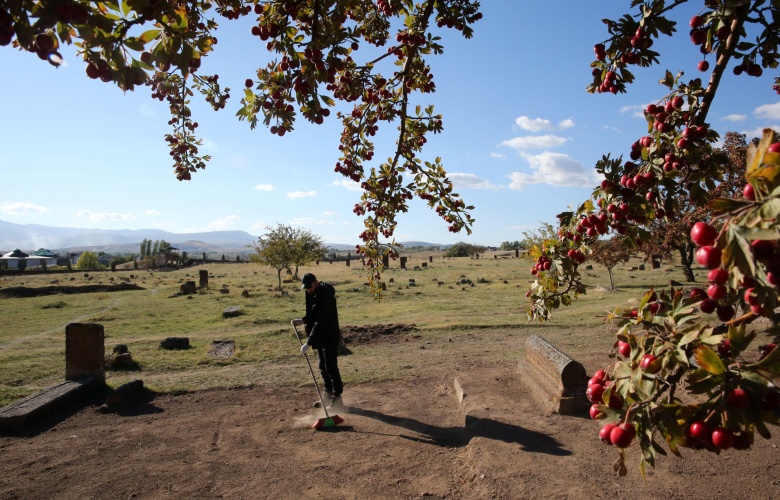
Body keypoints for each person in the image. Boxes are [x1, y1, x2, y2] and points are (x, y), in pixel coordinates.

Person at [297, 273, 343, 409]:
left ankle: (337, 398)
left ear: (316, 282)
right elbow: (314, 313)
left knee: (331, 367)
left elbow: (320, 322)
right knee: (323, 367)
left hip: (329, 335)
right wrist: (303, 320)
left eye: (309, 287)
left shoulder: (325, 295)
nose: (308, 290)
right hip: (321, 337)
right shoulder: (315, 293)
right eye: (306, 288)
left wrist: (309, 342)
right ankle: (328, 395)